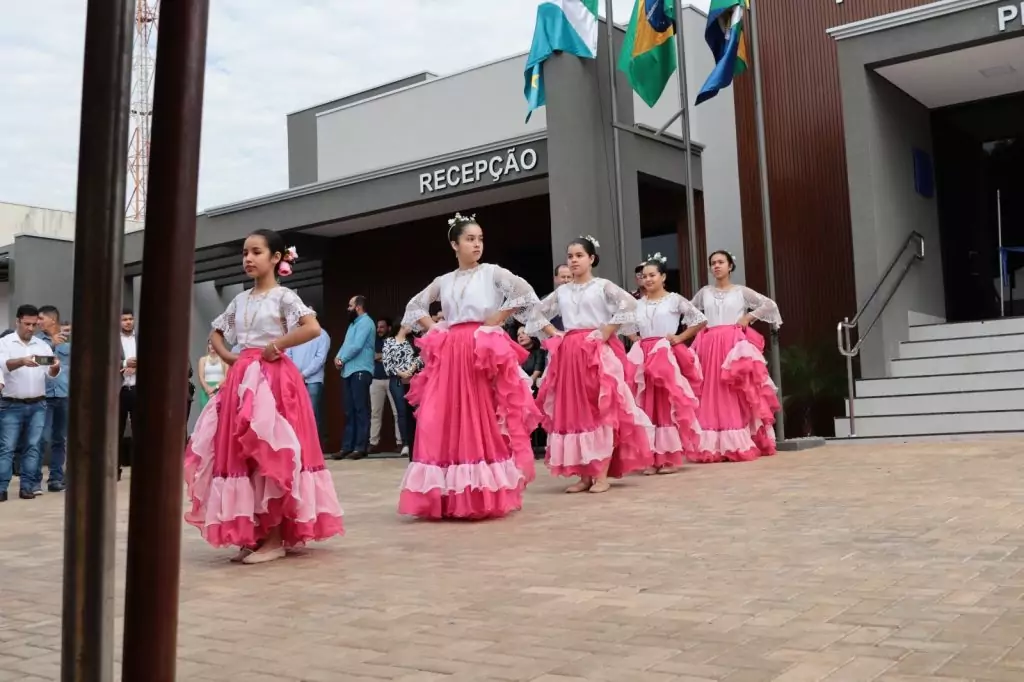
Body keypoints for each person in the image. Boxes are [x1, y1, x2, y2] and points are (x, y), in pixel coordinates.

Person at [184, 230, 344, 565]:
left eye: (256, 252)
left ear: (276, 258)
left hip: (273, 380)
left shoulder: (284, 297)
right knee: (243, 451)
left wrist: (276, 346)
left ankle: (274, 537)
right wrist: (231, 358)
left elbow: (312, 327)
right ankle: (254, 533)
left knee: (270, 448)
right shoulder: (239, 300)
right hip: (243, 378)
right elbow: (216, 332)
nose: (248, 258)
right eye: (245, 252)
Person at [398, 212, 542, 520]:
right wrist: (436, 328)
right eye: (469, 239)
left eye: (480, 239)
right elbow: (414, 306)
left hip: (480, 346)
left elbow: (525, 293)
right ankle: (450, 494)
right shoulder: (444, 281)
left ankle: (479, 493)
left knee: (479, 414)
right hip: (452, 350)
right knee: (444, 415)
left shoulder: (492, 272)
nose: (476, 245)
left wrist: (498, 318)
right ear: (455, 244)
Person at [527, 236, 654, 494]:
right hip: (569, 352)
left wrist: (608, 328)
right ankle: (584, 474)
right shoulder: (562, 291)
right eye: (570, 256)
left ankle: (602, 474)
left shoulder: (602, 286)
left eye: (579, 255)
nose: (573, 260)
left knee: (600, 407)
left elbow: (628, 303)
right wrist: (555, 333)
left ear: (591, 259)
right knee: (575, 411)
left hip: (595, 349)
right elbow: (536, 314)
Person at [690, 250, 782, 462]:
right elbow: (689, 311)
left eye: (721, 262)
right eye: (713, 263)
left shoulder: (740, 291)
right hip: (709, 345)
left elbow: (769, 304)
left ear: (730, 266)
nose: (716, 266)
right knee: (710, 391)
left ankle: (739, 441)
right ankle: (713, 446)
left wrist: (748, 317)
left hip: (733, 344)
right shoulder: (704, 292)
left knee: (735, 391)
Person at [626, 255, 706, 475]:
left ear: (663, 277)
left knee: (666, 403)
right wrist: (637, 341)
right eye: (644, 276)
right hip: (644, 354)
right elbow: (624, 325)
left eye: (653, 275)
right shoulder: (636, 303)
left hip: (666, 354)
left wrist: (680, 337)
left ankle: (668, 457)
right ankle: (650, 457)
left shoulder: (674, 299)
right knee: (645, 402)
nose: (648, 279)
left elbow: (700, 320)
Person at [0, 305, 62, 502]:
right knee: (7, 447)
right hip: (11, 403)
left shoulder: (41, 345)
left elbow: (51, 375)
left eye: (34, 324)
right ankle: (1, 488)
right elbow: (4, 365)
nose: (31, 328)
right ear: (17, 321)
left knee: (33, 446)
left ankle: (27, 487)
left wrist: (55, 367)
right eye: (27, 324)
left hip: (38, 404)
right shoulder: (5, 343)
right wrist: (22, 361)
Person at [333, 296, 374, 460]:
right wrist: (337, 357)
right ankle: (347, 447)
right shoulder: (353, 324)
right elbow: (346, 344)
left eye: (350, 306)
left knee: (360, 409)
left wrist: (342, 359)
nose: (347, 309)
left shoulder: (366, 322)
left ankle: (360, 447)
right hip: (348, 371)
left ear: (358, 307)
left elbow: (357, 346)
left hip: (361, 370)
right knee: (349, 410)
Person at [36, 305, 70, 492]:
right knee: (41, 439)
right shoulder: (37, 341)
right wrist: (51, 346)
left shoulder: (69, 341)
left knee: (59, 439)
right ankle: (34, 480)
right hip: (45, 395)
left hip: (64, 395)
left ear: (52, 320)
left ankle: (56, 478)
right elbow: (35, 360)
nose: (38, 322)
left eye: (41, 319)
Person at [381, 325, 422, 458]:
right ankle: (405, 443)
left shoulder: (414, 340)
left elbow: (421, 357)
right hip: (397, 379)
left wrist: (412, 369)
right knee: (401, 411)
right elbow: (387, 363)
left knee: (415, 411)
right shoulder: (389, 341)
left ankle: (417, 442)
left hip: (414, 379)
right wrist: (401, 373)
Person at [286, 326, 331, 444]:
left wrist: (304, 374)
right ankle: (300, 447)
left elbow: (320, 359)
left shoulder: (322, 334)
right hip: (295, 380)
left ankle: (313, 448)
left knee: (311, 415)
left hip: (313, 380)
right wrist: (295, 374)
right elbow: (287, 355)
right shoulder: (295, 333)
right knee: (296, 415)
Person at [369, 318, 402, 454]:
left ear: (389, 328)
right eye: (378, 327)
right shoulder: (374, 341)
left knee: (397, 412)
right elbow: (371, 356)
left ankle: (400, 443)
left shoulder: (395, 340)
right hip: (376, 379)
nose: (379, 330)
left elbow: (396, 357)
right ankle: (373, 443)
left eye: (382, 327)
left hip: (392, 379)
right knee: (375, 412)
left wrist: (381, 356)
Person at [118, 308, 137, 481]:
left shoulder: (140, 339)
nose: (128, 322)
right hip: (120, 389)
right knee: (117, 429)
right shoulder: (113, 340)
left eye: (130, 319)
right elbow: (106, 360)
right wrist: (124, 363)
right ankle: (115, 469)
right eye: (124, 319)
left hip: (138, 389)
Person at [197, 342, 225, 411]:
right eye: (210, 343)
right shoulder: (203, 360)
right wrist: (208, 390)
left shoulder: (223, 360)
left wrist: (215, 388)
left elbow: (226, 377)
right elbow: (201, 377)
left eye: (214, 343)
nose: (212, 346)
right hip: (206, 392)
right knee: (205, 418)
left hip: (219, 390)